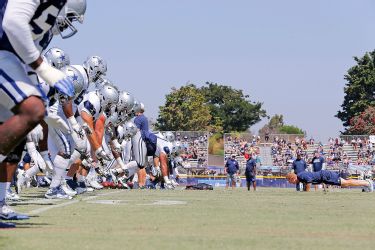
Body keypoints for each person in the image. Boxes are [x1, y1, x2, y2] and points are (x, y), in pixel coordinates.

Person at [0, 0, 86, 227]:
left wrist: (40, 84)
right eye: (69, 19)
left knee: (15, 136)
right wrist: (44, 70)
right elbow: (12, 23)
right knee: (32, 110)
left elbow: (25, 58)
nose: (67, 26)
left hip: (9, 57)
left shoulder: (45, 34)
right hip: (2, 51)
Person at [286, 170, 373, 192]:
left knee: (346, 183)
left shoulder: (301, 175)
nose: (292, 183)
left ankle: (367, 183)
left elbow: (308, 182)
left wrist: (307, 193)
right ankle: (365, 185)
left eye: (291, 182)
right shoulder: (300, 177)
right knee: (345, 184)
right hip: (325, 177)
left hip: (326, 176)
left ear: (293, 178)